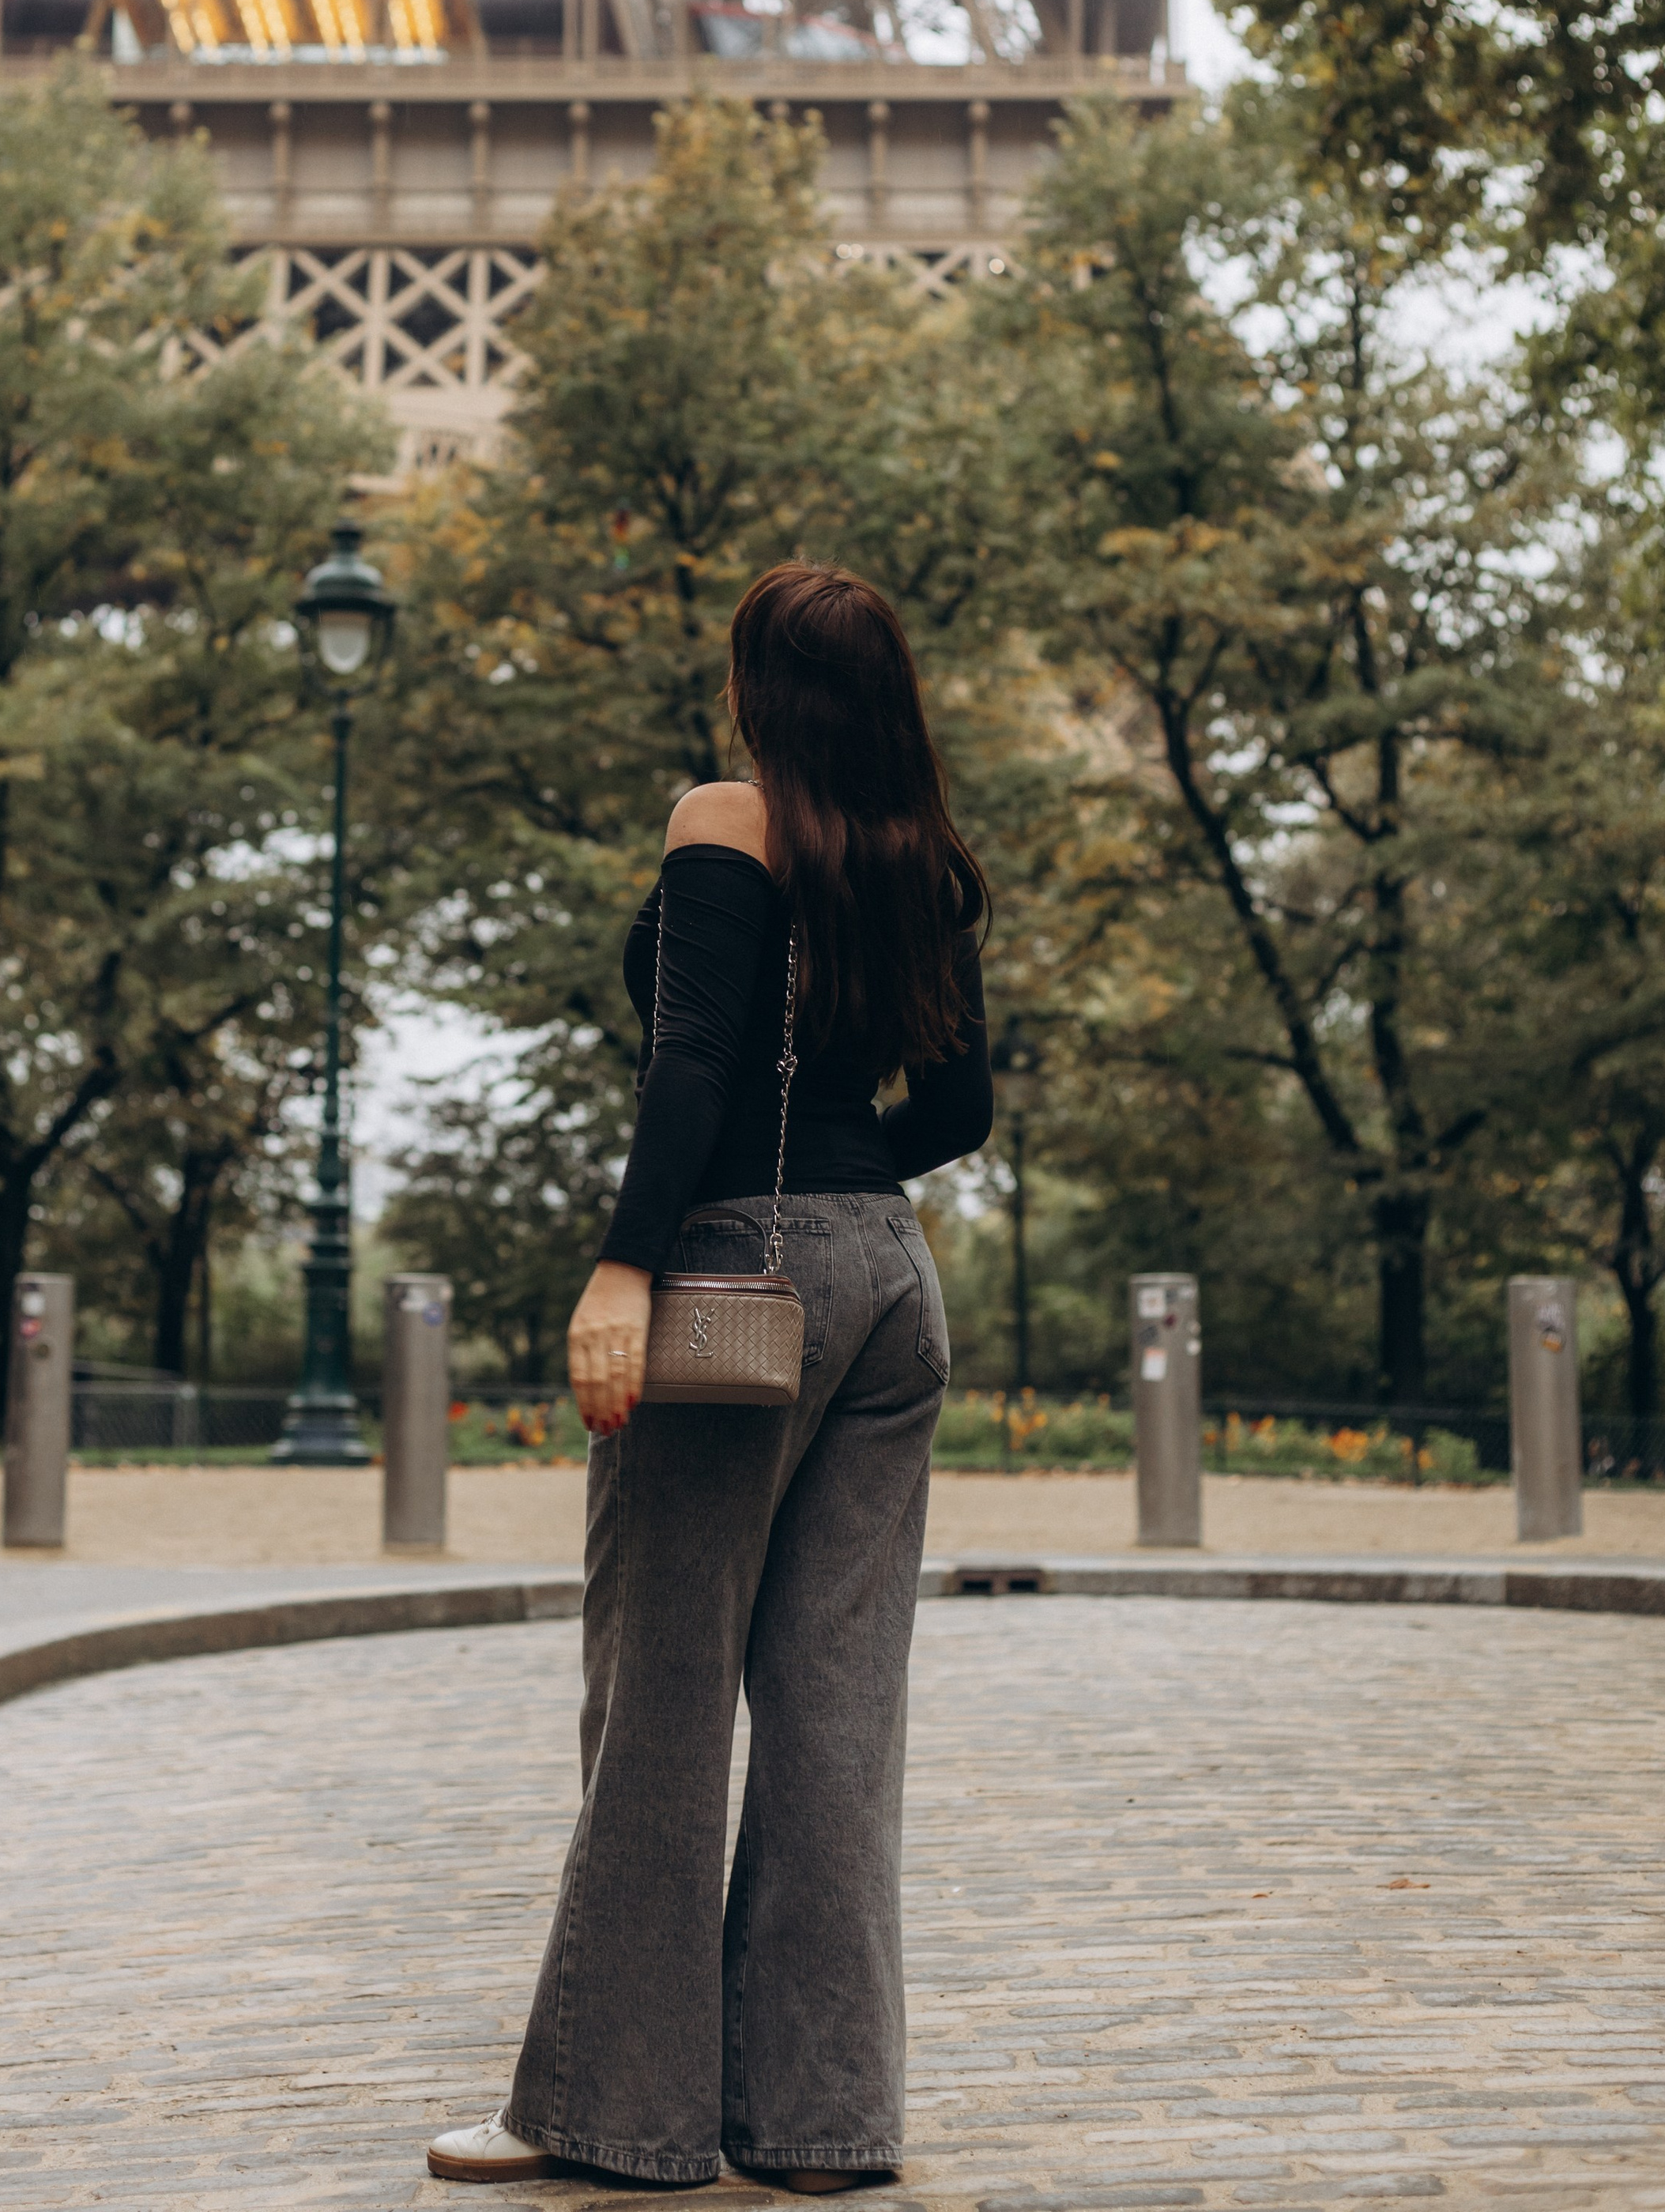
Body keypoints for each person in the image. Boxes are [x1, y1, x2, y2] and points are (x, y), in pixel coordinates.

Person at [428, 560, 993, 2194]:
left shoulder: (723, 820)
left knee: (662, 1704)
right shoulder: (924, 864)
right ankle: (821, 2128)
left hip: (737, 1288)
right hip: (890, 1284)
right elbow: (953, 1115)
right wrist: (836, 1181)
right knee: (836, 1718)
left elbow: (684, 1066)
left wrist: (629, 1259)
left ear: (757, 688)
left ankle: (615, 2114)